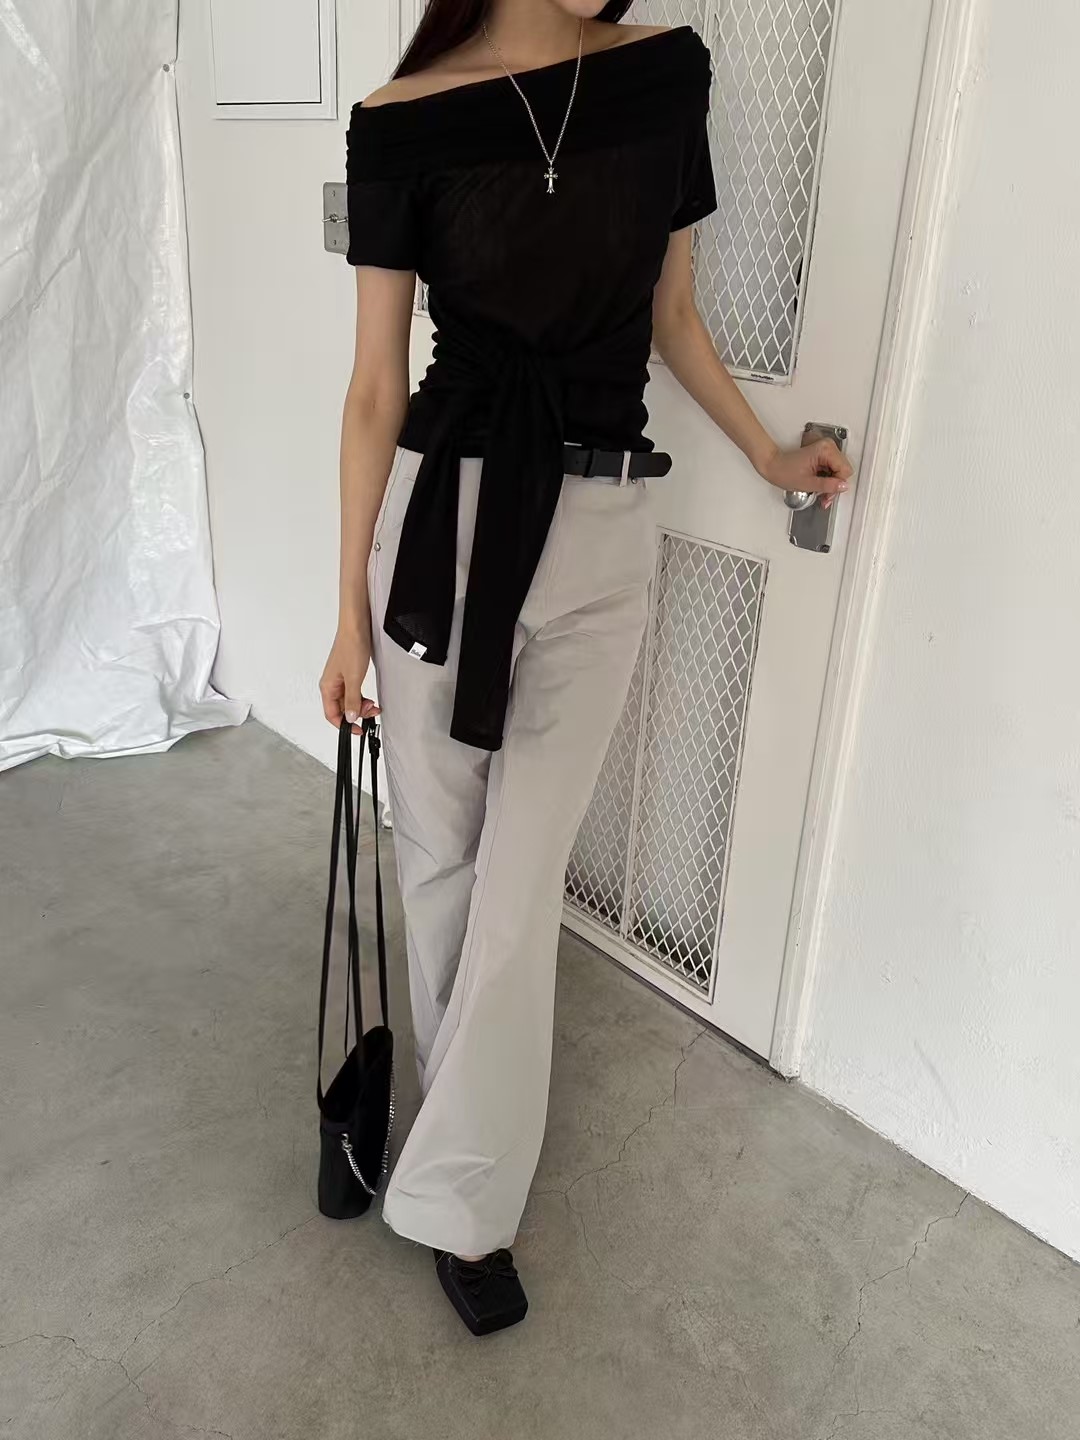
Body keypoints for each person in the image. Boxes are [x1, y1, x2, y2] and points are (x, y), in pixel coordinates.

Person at [320, 0, 852, 1337]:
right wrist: (345, 613)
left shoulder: (664, 77)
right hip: (441, 530)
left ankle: (455, 1191)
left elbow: (673, 316)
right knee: (439, 857)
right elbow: (377, 387)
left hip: (604, 527)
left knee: (517, 880)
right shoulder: (398, 121)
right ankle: (467, 1194)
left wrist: (769, 454)